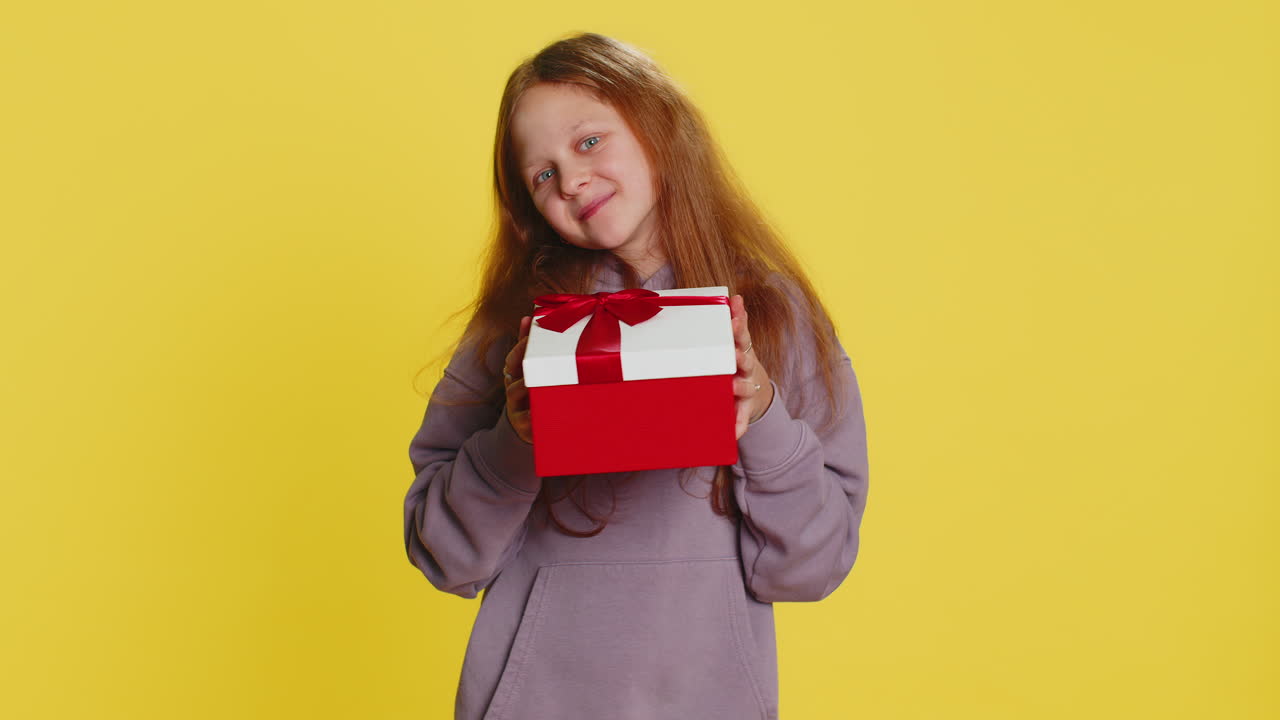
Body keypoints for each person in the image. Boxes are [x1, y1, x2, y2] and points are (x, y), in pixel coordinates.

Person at [404, 32, 870, 720]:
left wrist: (762, 415)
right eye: (542, 174)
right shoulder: (515, 327)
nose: (571, 180)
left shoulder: (773, 314)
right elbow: (442, 554)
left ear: (658, 125)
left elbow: (812, 566)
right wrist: (517, 437)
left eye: (589, 142)